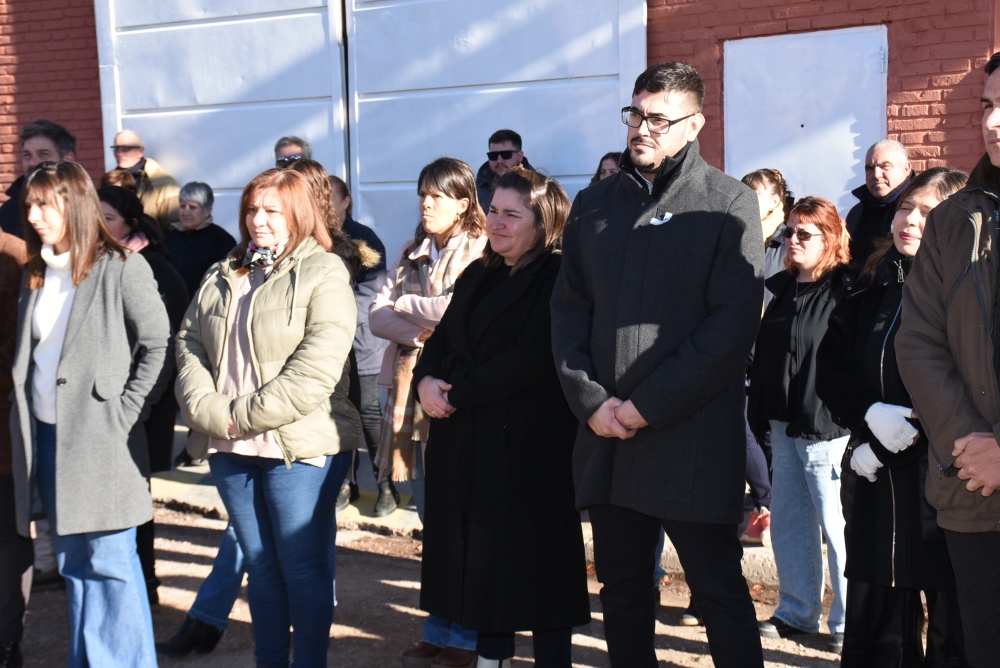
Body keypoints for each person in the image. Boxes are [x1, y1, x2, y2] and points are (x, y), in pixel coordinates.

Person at [550, 61, 765, 668]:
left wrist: (646, 406)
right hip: (610, 440)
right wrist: (592, 403)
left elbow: (729, 330)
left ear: (693, 125)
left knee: (718, 593)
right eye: (635, 114)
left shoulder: (728, 203)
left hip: (689, 440)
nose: (641, 128)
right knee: (621, 593)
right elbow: (567, 314)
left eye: (658, 119)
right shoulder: (594, 204)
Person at [174, 167, 361, 667]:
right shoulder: (224, 271)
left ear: (299, 215)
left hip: (298, 449)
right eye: (252, 209)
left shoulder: (324, 272)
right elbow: (188, 341)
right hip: (230, 448)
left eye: (272, 210)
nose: (259, 220)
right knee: (260, 568)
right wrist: (209, 412)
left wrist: (238, 416)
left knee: (302, 571)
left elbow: (315, 370)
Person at [414, 167, 590, 668]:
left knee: (541, 575)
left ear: (544, 222)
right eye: (493, 210)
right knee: (484, 570)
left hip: (529, 452)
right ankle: (490, 661)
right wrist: (427, 383)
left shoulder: (556, 276)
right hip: (468, 445)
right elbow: (440, 342)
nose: (497, 222)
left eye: (512, 214)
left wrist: (455, 392)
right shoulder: (478, 273)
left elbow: (529, 357)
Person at [10, 160, 172, 666]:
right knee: (75, 564)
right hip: (47, 438)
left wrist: (124, 413)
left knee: (111, 566)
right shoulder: (36, 274)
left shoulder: (121, 266)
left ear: (74, 204)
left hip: (102, 440)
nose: (33, 215)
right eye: (30, 205)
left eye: (45, 204)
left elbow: (159, 344)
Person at [817, 168, 969, 666]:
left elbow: (965, 385)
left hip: (945, 487)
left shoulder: (967, 295)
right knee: (879, 625)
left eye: (928, 212)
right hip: (875, 485)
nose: (911, 220)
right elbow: (832, 368)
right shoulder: (871, 286)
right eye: (907, 207)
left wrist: (886, 443)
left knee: (956, 628)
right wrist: (867, 410)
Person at [895, 51, 1000, 667]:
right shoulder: (954, 220)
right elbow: (921, 342)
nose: (993, 123)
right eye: (988, 106)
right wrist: (975, 445)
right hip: (974, 490)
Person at [370, 157, 487, 668]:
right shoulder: (409, 249)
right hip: (403, 392)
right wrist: (421, 317)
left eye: (437, 195)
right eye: (422, 193)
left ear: (463, 201)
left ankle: (466, 636)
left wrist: (409, 310)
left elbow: (457, 313)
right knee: (430, 522)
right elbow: (375, 316)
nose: (425, 203)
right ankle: (437, 628)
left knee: (461, 523)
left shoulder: (480, 250)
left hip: (449, 395)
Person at [747, 196, 851, 652]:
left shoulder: (846, 288)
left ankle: (848, 623)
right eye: (787, 232)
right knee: (789, 521)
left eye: (803, 233)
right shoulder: (782, 288)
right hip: (783, 423)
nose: (791, 241)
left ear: (829, 238)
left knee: (836, 526)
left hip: (827, 426)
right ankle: (797, 612)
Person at [97, 185, 189, 606]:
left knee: (134, 499)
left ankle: (144, 583)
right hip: (113, 405)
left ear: (131, 223)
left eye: (109, 219)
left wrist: (136, 405)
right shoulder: (91, 266)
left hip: (140, 406)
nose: (101, 228)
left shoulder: (149, 266)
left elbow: (164, 344)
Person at [325, 173, 395, 516]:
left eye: (331, 198)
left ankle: (386, 485)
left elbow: (372, 295)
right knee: (338, 415)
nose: (324, 205)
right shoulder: (314, 238)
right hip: (327, 349)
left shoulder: (364, 241)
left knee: (369, 415)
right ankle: (345, 484)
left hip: (363, 346)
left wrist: (327, 306)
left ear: (346, 201)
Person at [0, 228, 27, 668]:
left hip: (4, 424)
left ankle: (6, 642)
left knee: (7, 534)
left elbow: (21, 345)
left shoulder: (16, 255)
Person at [0, 120, 77, 238]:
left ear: (67, 160)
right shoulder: (8, 213)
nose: (33, 163)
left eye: (43, 154)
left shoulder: (88, 204)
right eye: (27, 155)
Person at [846, 140, 914, 268]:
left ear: (907, 168)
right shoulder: (856, 213)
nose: (876, 175)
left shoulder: (921, 211)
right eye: (869, 168)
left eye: (885, 166)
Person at [165, 182, 237, 298]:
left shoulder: (222, 240)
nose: (186, 212)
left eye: (192, 207)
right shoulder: (170, 236)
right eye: (182, 206)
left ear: (208, 210)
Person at [112, 130, 180, 228]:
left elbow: (174, 225)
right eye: (116, 148)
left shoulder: (163, 183)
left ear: (140, 151)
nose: (119, 153)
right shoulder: (110, 182)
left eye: (125, 148)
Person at [474, 130, 535, 213]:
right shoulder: (475, 188)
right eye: (493, 155)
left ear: (520, 156)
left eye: (506, 154)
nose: (499, 161)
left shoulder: (538, 188)